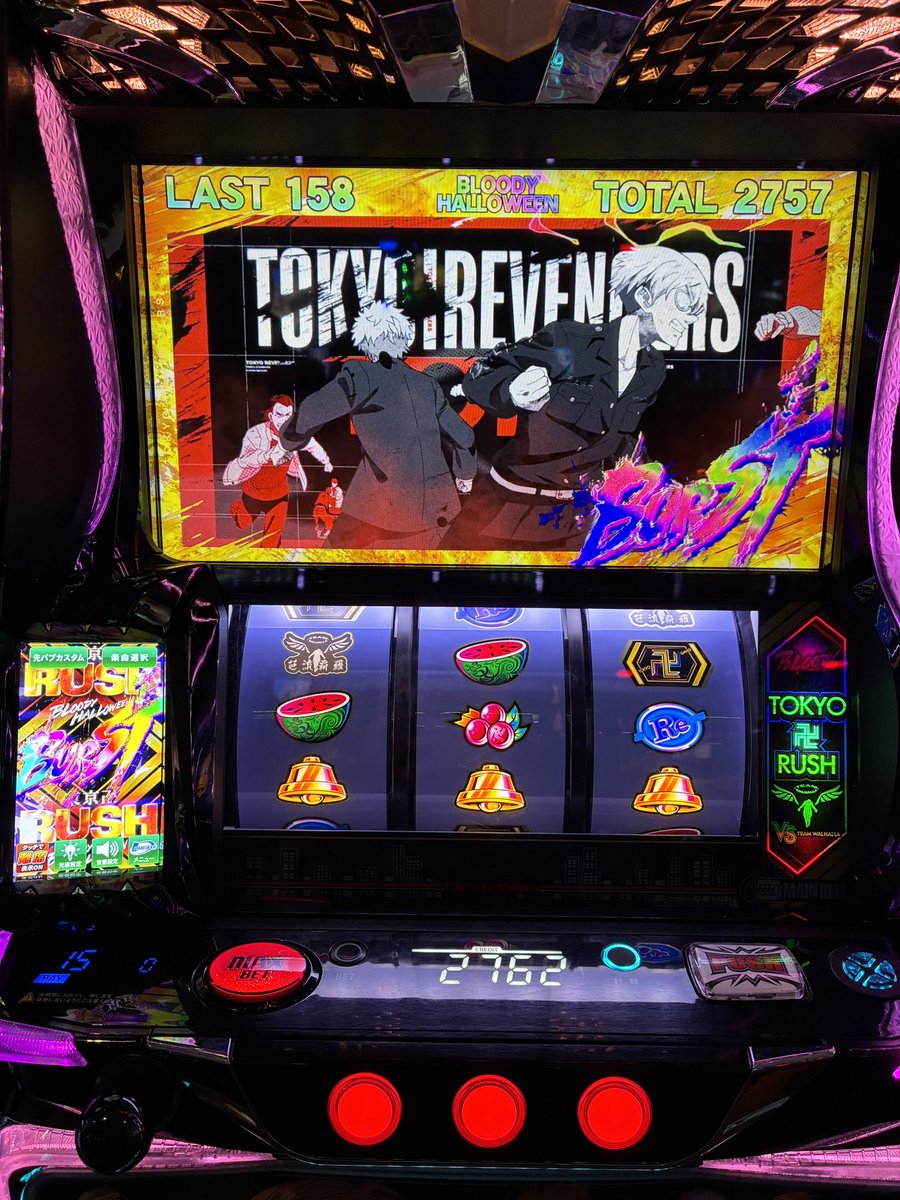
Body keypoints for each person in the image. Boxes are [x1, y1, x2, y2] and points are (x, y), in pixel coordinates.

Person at [447, 243, 707, 550]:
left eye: (698, 309)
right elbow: (481, 374)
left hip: (580, 523)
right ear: (644, 297)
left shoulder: (653, 369)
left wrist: (664, 485)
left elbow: (619, 443)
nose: (691, 317)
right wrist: (512, 390)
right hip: (510, 515)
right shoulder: (572, 341)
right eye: (683, 301)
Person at [279, 301, 476, 550]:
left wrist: (289, 440)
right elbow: (464, 435)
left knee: (329, 567)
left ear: (366, 342)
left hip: (377, 512)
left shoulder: (360, 376)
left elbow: (312, 411)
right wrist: (465, 474)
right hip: (439, 510)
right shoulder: (428, 385)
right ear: (403, 341)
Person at [223, 395, 331, 548]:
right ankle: (237, 508)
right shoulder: (256, 433)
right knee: (242, 523)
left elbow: (311, 444)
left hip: (278, 495)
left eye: (288, 415)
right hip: (254, 493)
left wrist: (325, 461)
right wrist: (267, 455)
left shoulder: (294, 434)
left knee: (271, 542)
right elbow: (245, 460)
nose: (284, 419)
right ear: (271, 415)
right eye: (280, 414)